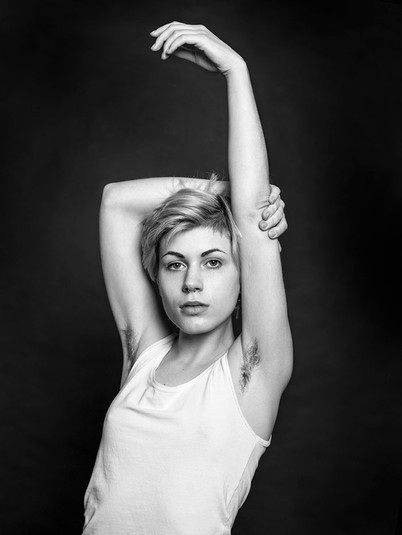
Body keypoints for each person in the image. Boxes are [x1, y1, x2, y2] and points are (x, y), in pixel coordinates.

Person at [82, 21, 293, 535]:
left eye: (214, 261)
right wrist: (223, 194)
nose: (191, 282)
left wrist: (234, 69)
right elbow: (116, 202)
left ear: (243, 279)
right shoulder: (142, 357)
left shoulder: (252, 375)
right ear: (157, 277)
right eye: (175, 264)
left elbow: (251, 216)